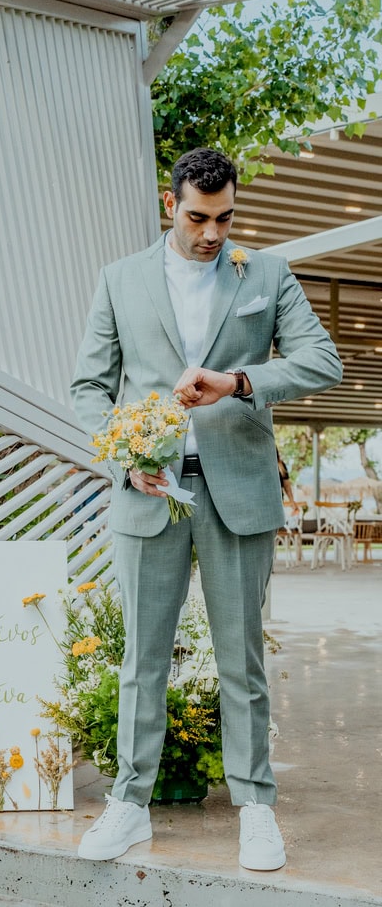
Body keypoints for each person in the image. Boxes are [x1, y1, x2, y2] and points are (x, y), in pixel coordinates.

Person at [70, 147, 342, 871]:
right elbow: (88, 388)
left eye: (225, 218)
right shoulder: (120, 279)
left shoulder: (268, 275)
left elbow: (322, 360)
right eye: (198, 217)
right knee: (141, 660)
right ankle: (129, 804)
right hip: (148, 492)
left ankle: (256, 808)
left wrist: (238, 381)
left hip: (239, 493)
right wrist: (122, 457)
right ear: (171, 204)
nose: (213, 233)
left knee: (241, 660)